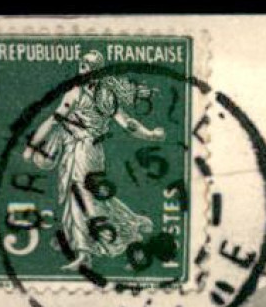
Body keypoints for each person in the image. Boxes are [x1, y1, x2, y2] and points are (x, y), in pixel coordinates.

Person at [23, 51, 165, 272]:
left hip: (80, 151)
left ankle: (83, 252)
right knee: (92, 196)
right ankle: (128, 225)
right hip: (94, 151)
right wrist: (150, 134)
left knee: (77, 196)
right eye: (82, 64)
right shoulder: (105, 94)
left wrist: (32, 147)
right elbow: (127, 122)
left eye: (88, 65)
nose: (84, 68)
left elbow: (53, 120)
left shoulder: (78, 93)